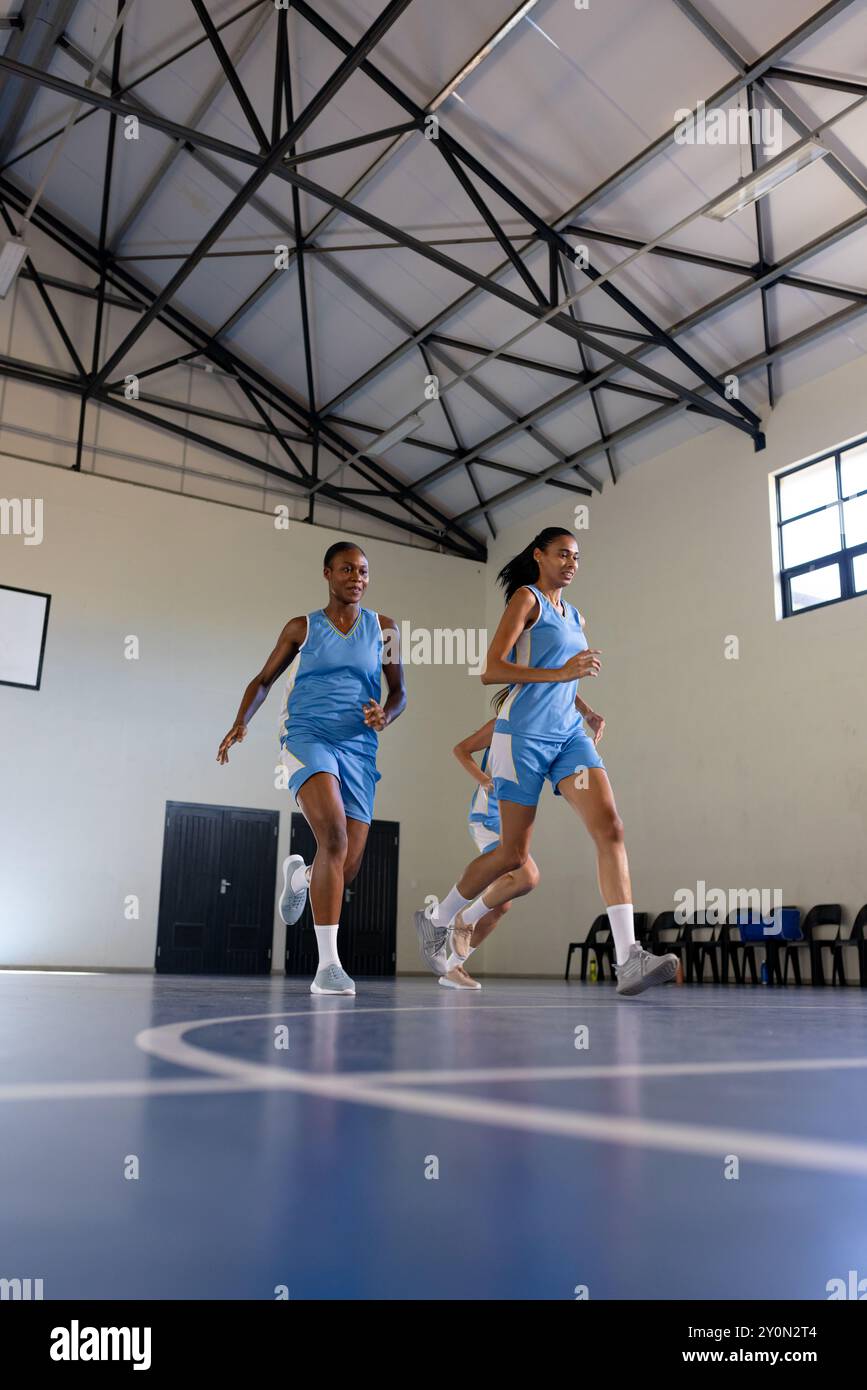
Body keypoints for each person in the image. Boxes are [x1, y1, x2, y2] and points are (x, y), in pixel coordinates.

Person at [414, 527, 676, 997]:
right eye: (562, 554)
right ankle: (437, 917)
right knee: (513, 857)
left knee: (611, 828)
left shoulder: (574, 614)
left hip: (568, 738)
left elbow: (563, 677)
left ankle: (628, 958)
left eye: (576, 556)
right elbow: (492, 669)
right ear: (539, 556)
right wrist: (562, 674)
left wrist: (583, 706)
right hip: (522, 737)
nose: (571, 563)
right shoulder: (526, 600)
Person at [218, 540, 405, 995]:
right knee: (335, 838)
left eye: (363, 571)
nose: (356, 578)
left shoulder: (385, 629)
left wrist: (386, 713)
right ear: (326, 574)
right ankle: (328, 967)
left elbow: (399, 692)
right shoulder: (302, 628)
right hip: (308, 736)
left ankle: (300, 876)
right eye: (346, 570)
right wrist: (241, 722)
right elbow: (264, 681)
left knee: (348, 866)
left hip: (359, 748)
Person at [438, 717, 541, 990]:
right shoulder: (503, 721)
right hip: (489, 818)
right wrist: (485, 780)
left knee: (500, 903)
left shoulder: (545, 726)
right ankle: (463, 918)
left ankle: (453, 967)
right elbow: (461, 749)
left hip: (511, 820)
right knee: (527, 876)